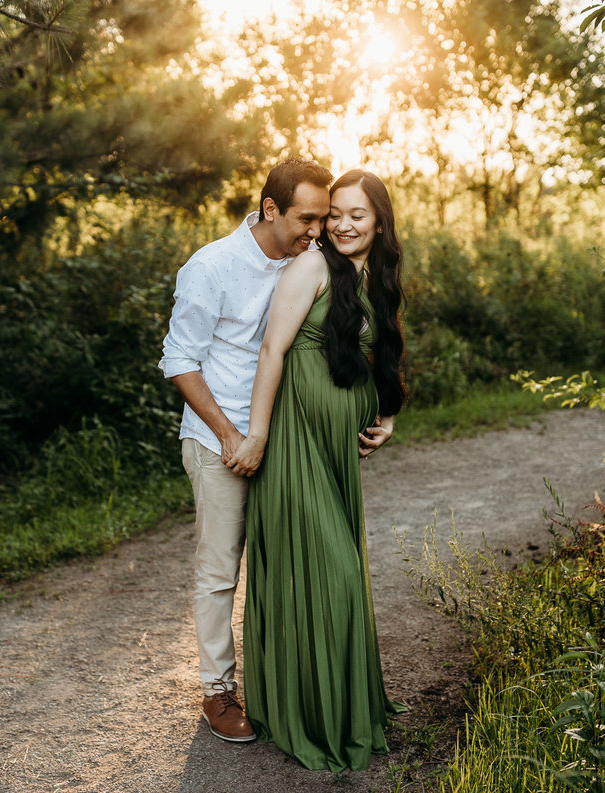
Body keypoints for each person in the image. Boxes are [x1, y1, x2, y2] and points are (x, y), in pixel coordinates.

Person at [226, 169, 407, 772]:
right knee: (331, 574)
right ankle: (315, 714)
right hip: (297, 443)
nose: (343, 225)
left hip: (336, 451)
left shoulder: (372, 276)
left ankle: (338, 702)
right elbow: (274, 349)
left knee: (340, 572)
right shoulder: (312, 268)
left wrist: (386, 415)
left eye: (357, 215)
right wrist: (257, 435)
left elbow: (380, 352)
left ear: (379, 221)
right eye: (336, 215)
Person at [159, 158, 335, 743]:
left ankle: (284, 684)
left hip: (284, 442)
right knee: (219, 571)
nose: (317, 229)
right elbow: (179, 360)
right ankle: (217, 693)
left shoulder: (308, 263)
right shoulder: (212, 267)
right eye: (307, 218)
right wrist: (233, 437)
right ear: (270, 210)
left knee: (282, 561)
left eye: (323, 218)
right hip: (220, 443)